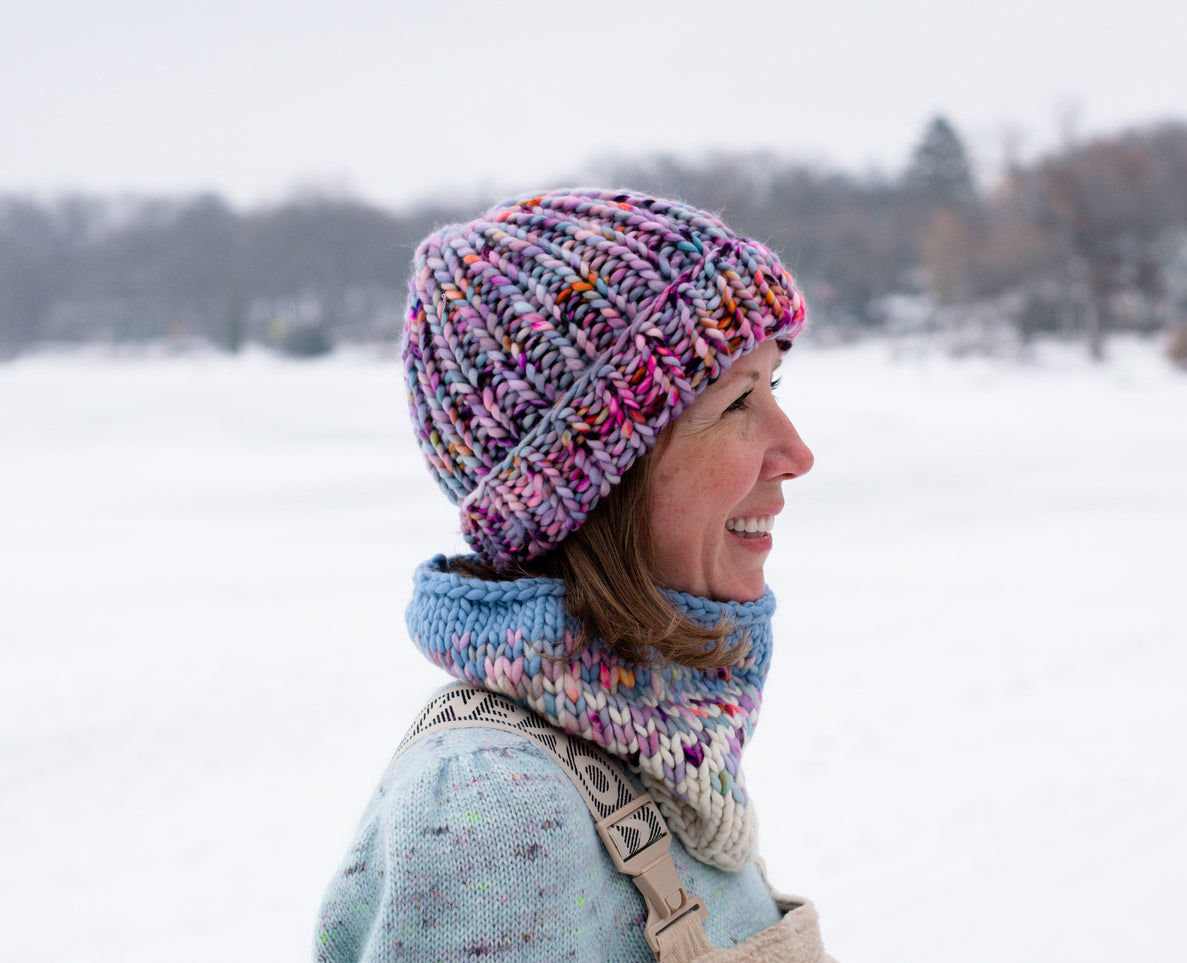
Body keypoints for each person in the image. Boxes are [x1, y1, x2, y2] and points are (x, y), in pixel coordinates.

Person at [314, 188, 831, 962]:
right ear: (595, 481)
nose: (796, 451)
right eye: (735, 403)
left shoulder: (658, 754)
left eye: (774, 388)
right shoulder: (492, 816)